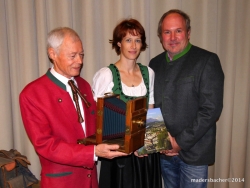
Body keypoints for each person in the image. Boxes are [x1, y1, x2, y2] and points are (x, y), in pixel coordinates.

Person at [19, 27, 127, 188]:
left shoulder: (82, 85)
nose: (80, 61)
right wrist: (93, 153)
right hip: (62, 182)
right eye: (73, 56)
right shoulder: (32, 94)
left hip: (90, 181)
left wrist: (126, 132)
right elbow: (46, 145)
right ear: (52, 54)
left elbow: (95, 127)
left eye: (81, 54)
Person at [149, 9, 224, 188]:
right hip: (164, 154)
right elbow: (152, 105)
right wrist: (160, 142)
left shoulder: (207, 61)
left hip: (194, 155)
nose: (173, 37)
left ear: (188, 33)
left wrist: (179, 143)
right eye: (167, 32)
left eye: (178, 31)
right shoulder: (154, 64)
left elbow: (210, 109)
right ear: (161, 36)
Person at [92, 19, 162, 188]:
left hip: (145, 152)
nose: (133, 46)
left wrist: (148, 145)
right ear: (119, 43)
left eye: (137, 40)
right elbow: (98, 118)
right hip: (118, 155)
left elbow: (151, 112)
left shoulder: (149, 72)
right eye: (128, 40)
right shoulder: (106, 75)